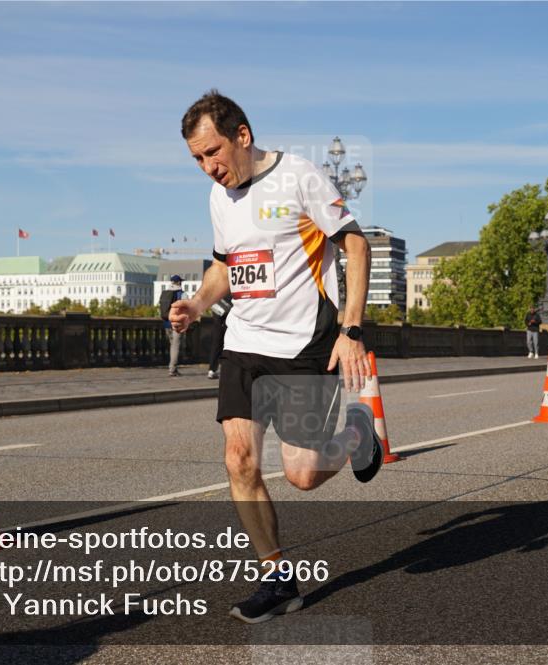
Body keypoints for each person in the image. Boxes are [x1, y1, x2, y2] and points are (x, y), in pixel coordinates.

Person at [170, 90, 384, 623]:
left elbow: (356, 245)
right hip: (244, 341)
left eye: (213, 152)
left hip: (304, 342)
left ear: (242, 135)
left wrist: (351, 329)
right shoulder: (220, 198)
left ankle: (358, 435)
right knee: (238, 459)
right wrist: (197, 303)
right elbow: (226, 266)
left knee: (303, 474)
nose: (208, 167)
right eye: (197, 159)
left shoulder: (300, 176)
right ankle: (277, 577)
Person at [159, 275, 185, 376]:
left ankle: (172, 367)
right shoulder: (181, 294)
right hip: (177, 323)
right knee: (175, 346)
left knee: (171, 345)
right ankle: (172, 369)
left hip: (166, 322)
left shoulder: (166, 293)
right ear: (179, 282)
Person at [207, 296, 231, 379]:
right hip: (227, 316)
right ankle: (224, 369)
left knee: (216, 344)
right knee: (227, 344)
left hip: (217, 314)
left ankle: (212, 369)